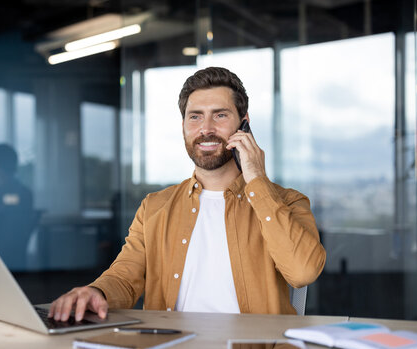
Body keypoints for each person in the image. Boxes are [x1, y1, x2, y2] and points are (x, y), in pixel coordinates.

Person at [49, 67, 326, 322]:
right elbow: (124, 277)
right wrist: (96, 291)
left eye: (220, 115)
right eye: (195, 117)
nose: (206, 129)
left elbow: (302, 272)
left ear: (244, 125)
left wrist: (256, 179)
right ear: (183, 125)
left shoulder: (288, 202)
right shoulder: (155, 207)